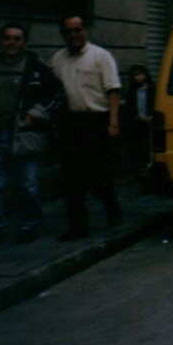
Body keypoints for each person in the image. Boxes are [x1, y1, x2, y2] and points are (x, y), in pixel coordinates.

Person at [0, 23, 64, 246]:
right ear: (0, 41)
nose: (11, 42)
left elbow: (57, 94)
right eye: (7, 38)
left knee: (27, 184)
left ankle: (28, 225)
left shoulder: (37, 67)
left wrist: (37, 112)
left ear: (24, 42)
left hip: (24, 136)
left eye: (17, 39)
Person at [50, 15, 124, 241]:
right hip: (70, 123)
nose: (73, 35)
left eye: (77, 30)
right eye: (69, 32)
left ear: (85, 31)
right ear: (63, 34)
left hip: (96, 122)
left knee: (98, 175)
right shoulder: (58, 59)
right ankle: (78, 226)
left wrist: (113, 122)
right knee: (71, 178)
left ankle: (111, 205)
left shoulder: (101, 57)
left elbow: (112, 91)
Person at [122, 64, 156, 182]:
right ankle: (140, 172)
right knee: (138, 149)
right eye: (134, 75)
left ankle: (149, 171)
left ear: (145, 75)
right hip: (137, 123)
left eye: (139, 74)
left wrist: (152, 117)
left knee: (149, 148)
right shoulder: (132, 91)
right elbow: (129, 108)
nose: (137, 78)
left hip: (150, 123)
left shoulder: (151, 89)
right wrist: (135, 117)